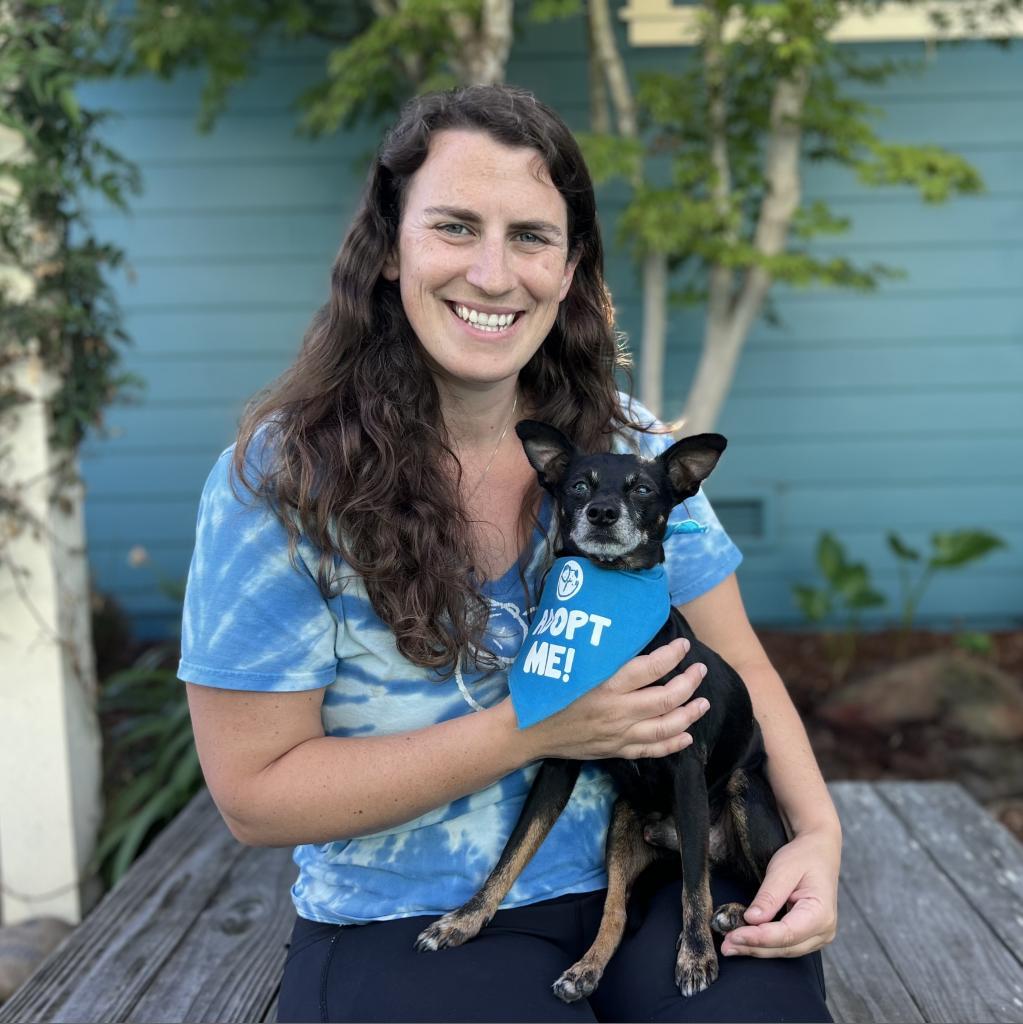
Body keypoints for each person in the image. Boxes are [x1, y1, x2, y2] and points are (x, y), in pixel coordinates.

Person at [178, 84, 839, 1023]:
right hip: (407, 915)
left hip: (657, 879)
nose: (494, 275)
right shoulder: (282, 480)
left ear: (569, 269)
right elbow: (255, 798)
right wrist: (537, 729)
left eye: (530, 236)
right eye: (454, 226)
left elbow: (739, 666)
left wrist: (815, 838)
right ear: (387, 248)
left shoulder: (625, 449)